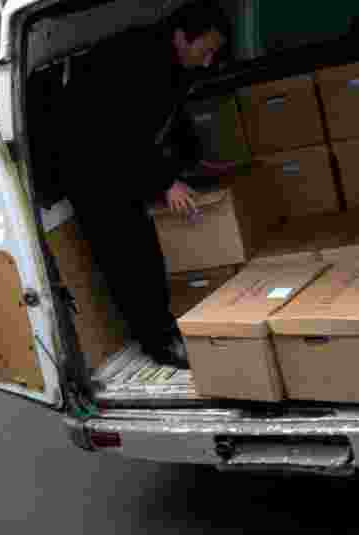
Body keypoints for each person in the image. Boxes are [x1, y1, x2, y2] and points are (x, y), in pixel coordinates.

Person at [63, 0, 232, 369]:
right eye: (204, 51)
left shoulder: (172, 62)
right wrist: (165, 182)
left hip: (123, 160)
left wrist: (192, 162)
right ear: (180, 38)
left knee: (144, 255)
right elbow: (122, 132)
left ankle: (165, 328)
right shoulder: (137, 62)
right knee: (130, 257)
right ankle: (158, 342)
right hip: (92, 169)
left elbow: (171, 121)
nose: (207, 62)